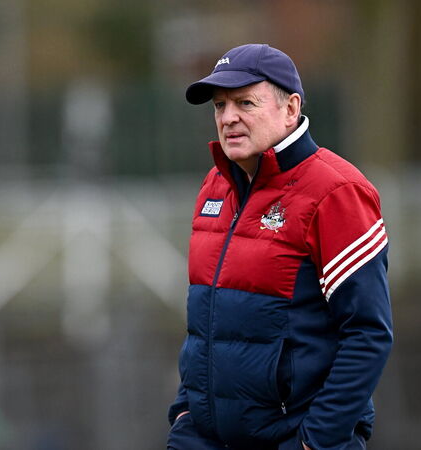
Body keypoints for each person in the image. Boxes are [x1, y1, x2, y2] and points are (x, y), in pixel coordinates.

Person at [166, 44, 393, 450]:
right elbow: (207, 324)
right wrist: (185, 415)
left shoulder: (337, 192)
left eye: (245, 102)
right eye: (219, 106)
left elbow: (367, 334)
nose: (228, 118)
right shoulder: (215, 186)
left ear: (290, 108)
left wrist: (315, 441)